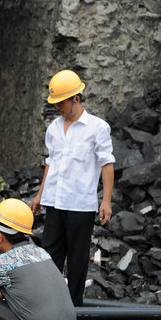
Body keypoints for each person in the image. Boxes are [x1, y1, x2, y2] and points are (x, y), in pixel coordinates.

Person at [30, 69, 115, 306]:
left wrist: (105, 201)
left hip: (80, 205)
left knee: (77, 260)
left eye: (61, 102)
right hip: (55, 202)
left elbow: (107, 164)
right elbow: (51, 164)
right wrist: (40, 195)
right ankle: (49, 304)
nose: (57, 107)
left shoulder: (97, 128)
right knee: (49, 255)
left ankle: (74, 306)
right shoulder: (54, 129)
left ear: (76, 99)